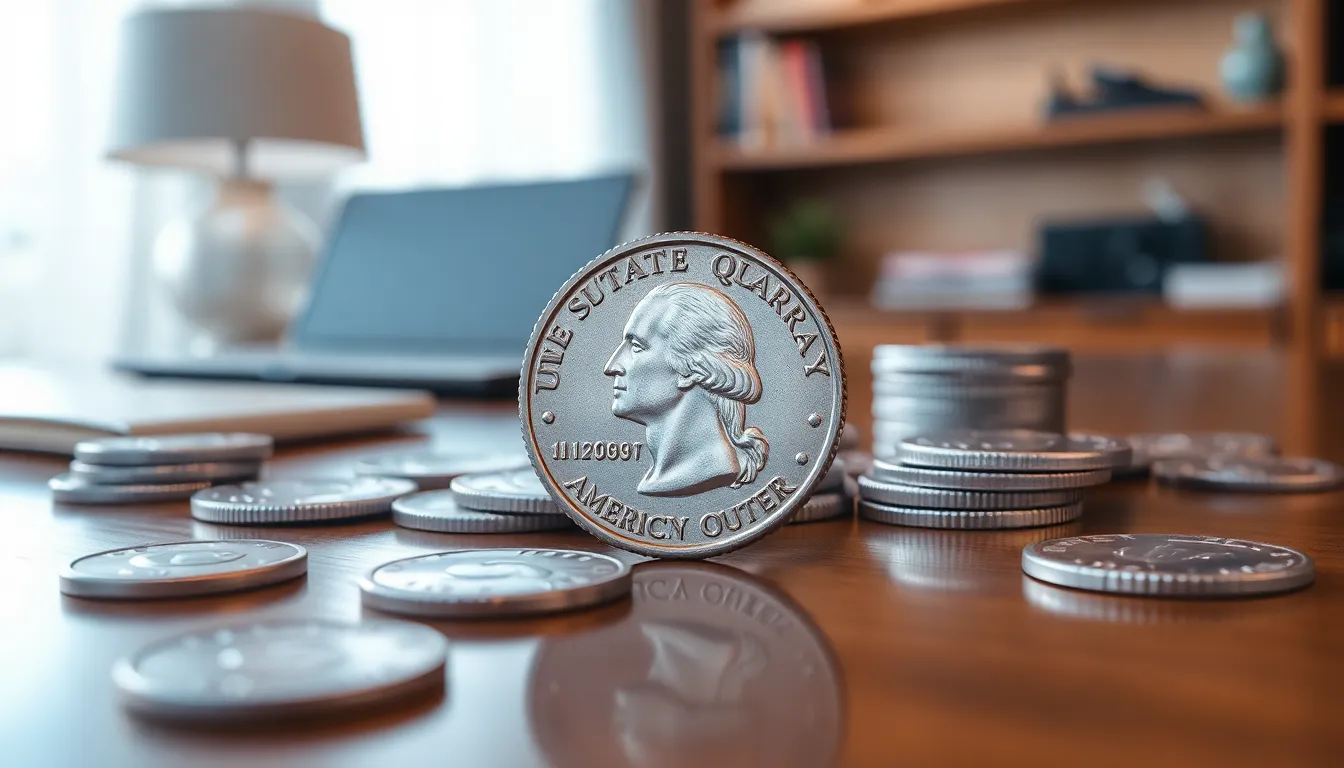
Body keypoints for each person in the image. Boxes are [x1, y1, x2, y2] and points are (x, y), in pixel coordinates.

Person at [603, 283, 769, 496]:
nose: (611, 366)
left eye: (636, 347)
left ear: (690, 370)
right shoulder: (663, 476)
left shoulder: (710, 472)